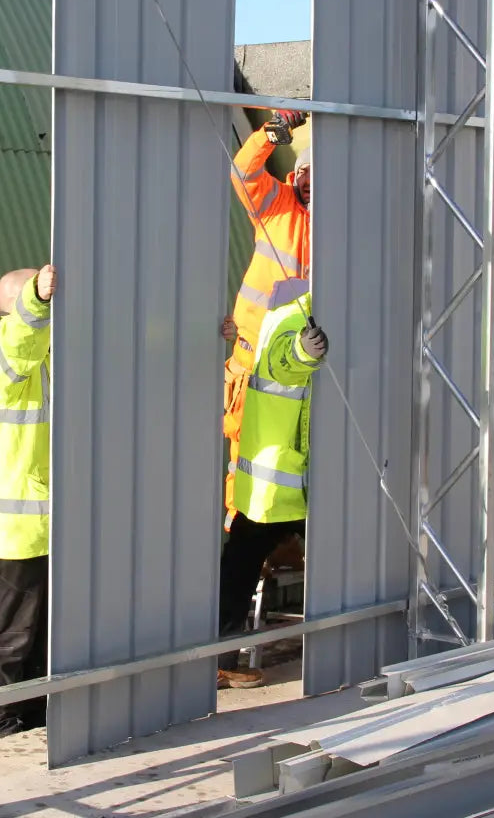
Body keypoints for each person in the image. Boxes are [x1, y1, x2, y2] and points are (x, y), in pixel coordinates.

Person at [216, 284, 328, 689]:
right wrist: (303, 350)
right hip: (281, 484)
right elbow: (283, 360)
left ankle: (221, 658)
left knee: (240, 568)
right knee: (241, 569)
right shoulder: (294, 318)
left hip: (286, 482)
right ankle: (220, 659)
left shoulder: (289, 310)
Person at [0, 263, 55, 741]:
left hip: (42, 524)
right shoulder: (5, 348)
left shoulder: (42, 359)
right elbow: (24, 334)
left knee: (39, 635)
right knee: (10, 636)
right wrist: (37, 301)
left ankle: (31, 721)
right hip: (19, 527)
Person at [223, 109, 312, 530]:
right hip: (256, 360)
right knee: (249, 455)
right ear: (296, 175)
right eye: (307, 171)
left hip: (307, 364)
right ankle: (242, 529)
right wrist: (271, 134)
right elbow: (242, 173)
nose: (312, 182)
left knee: (301, 454)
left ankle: (288, 539)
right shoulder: (276, 204)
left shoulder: (341, 226)